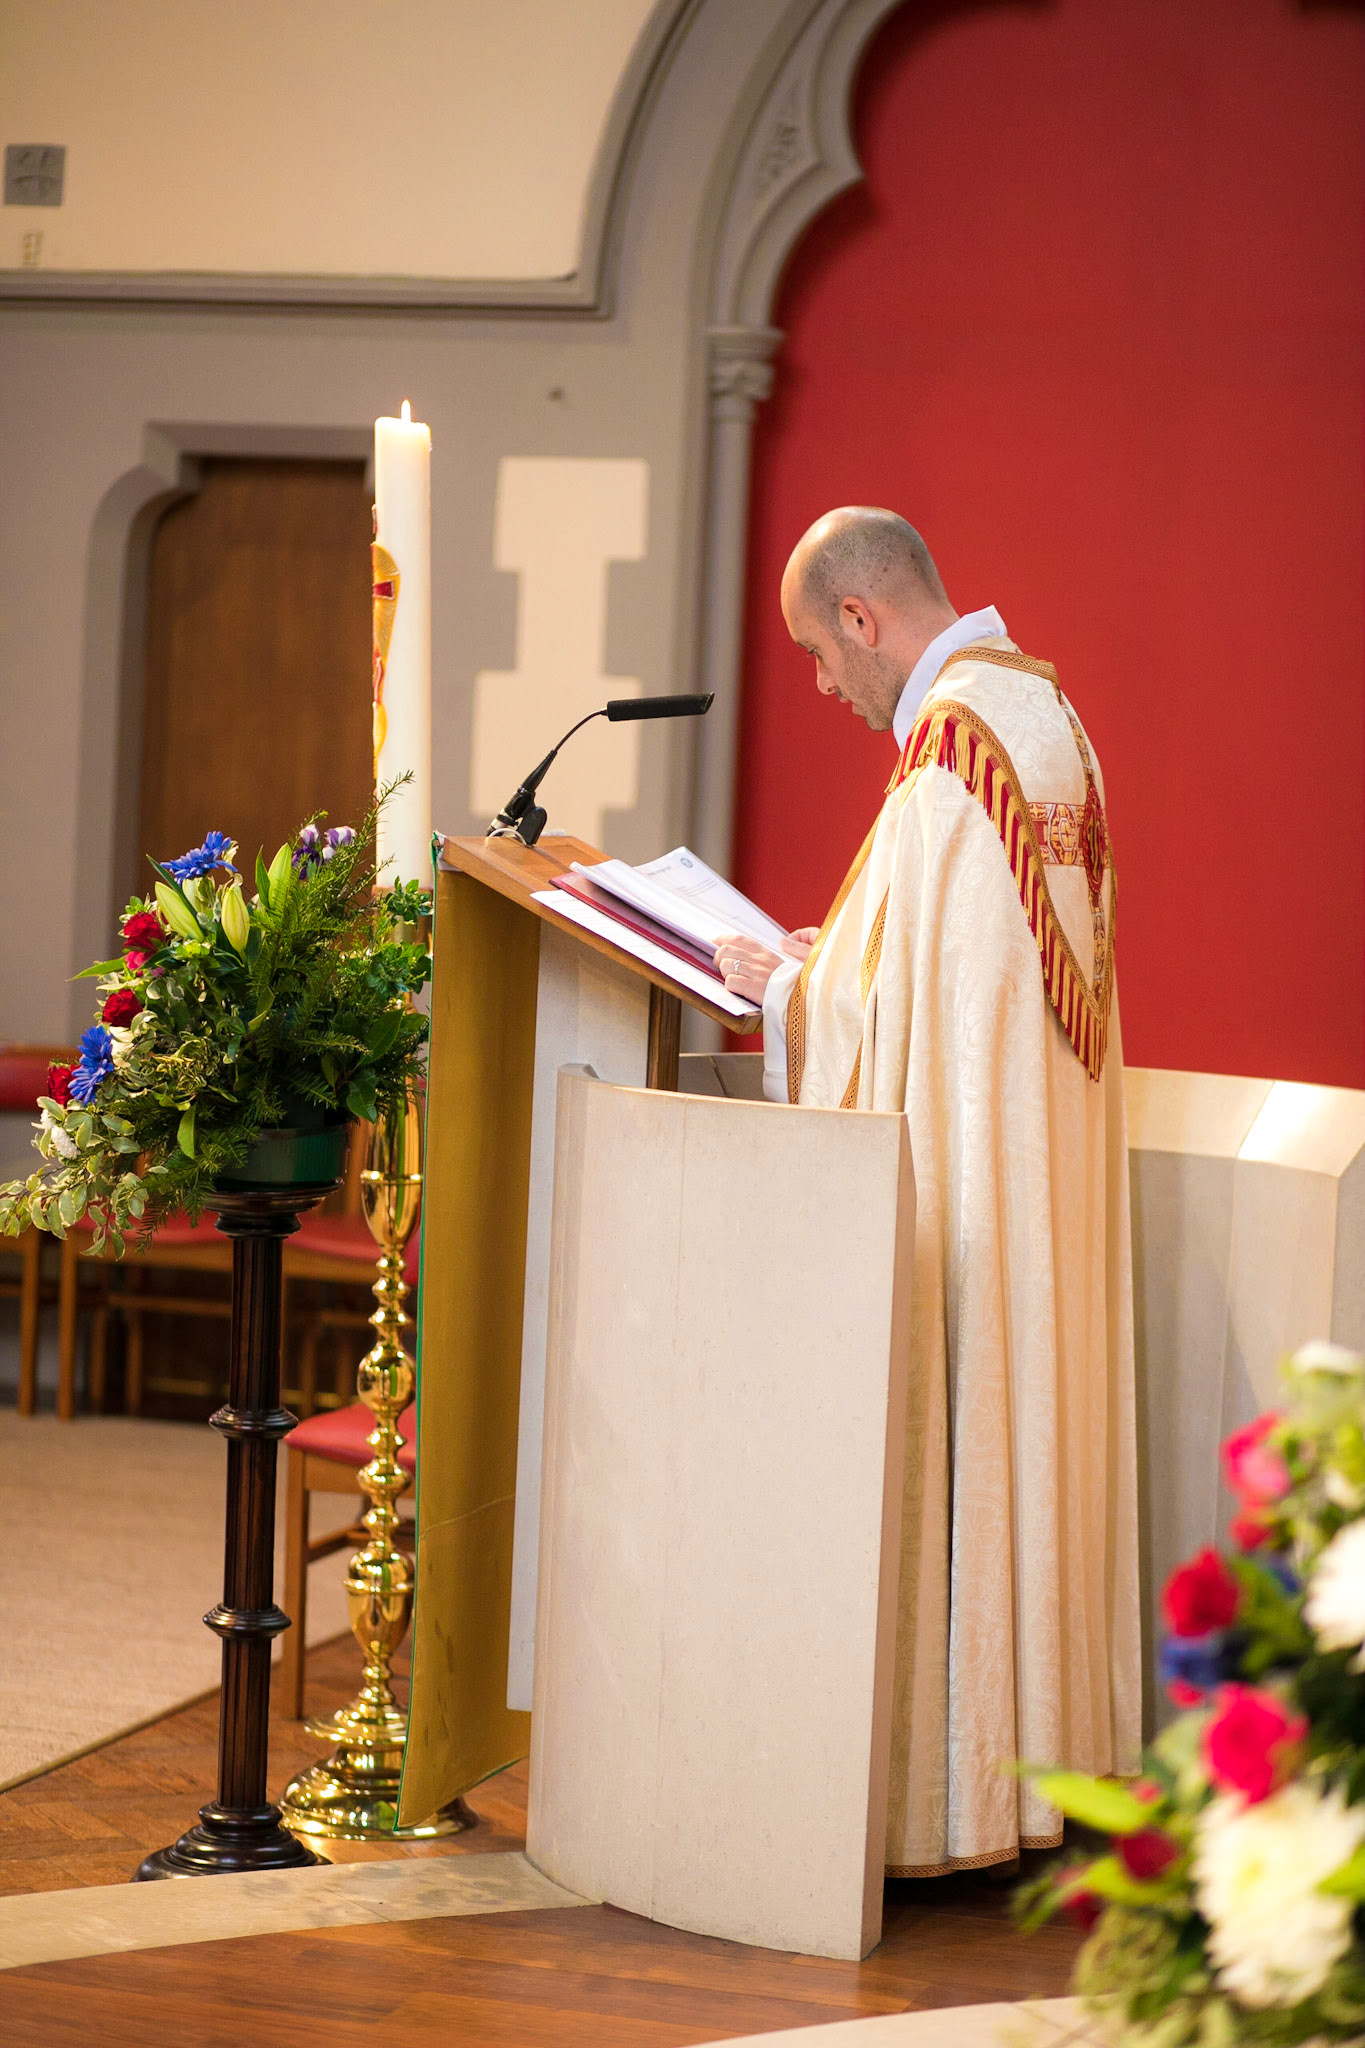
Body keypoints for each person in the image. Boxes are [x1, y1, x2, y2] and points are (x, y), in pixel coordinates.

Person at [714, 507, 1140, 1876]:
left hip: (965, 1212)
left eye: (816, 653)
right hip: (1036, 1192)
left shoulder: (954, 753)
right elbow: (944, 983)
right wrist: (831, 952)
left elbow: (896, 1028)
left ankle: (957, 1797)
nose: (823, 687)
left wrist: (781, 986)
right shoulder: (1039, 714)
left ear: (861, 616)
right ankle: (1034, 1766)